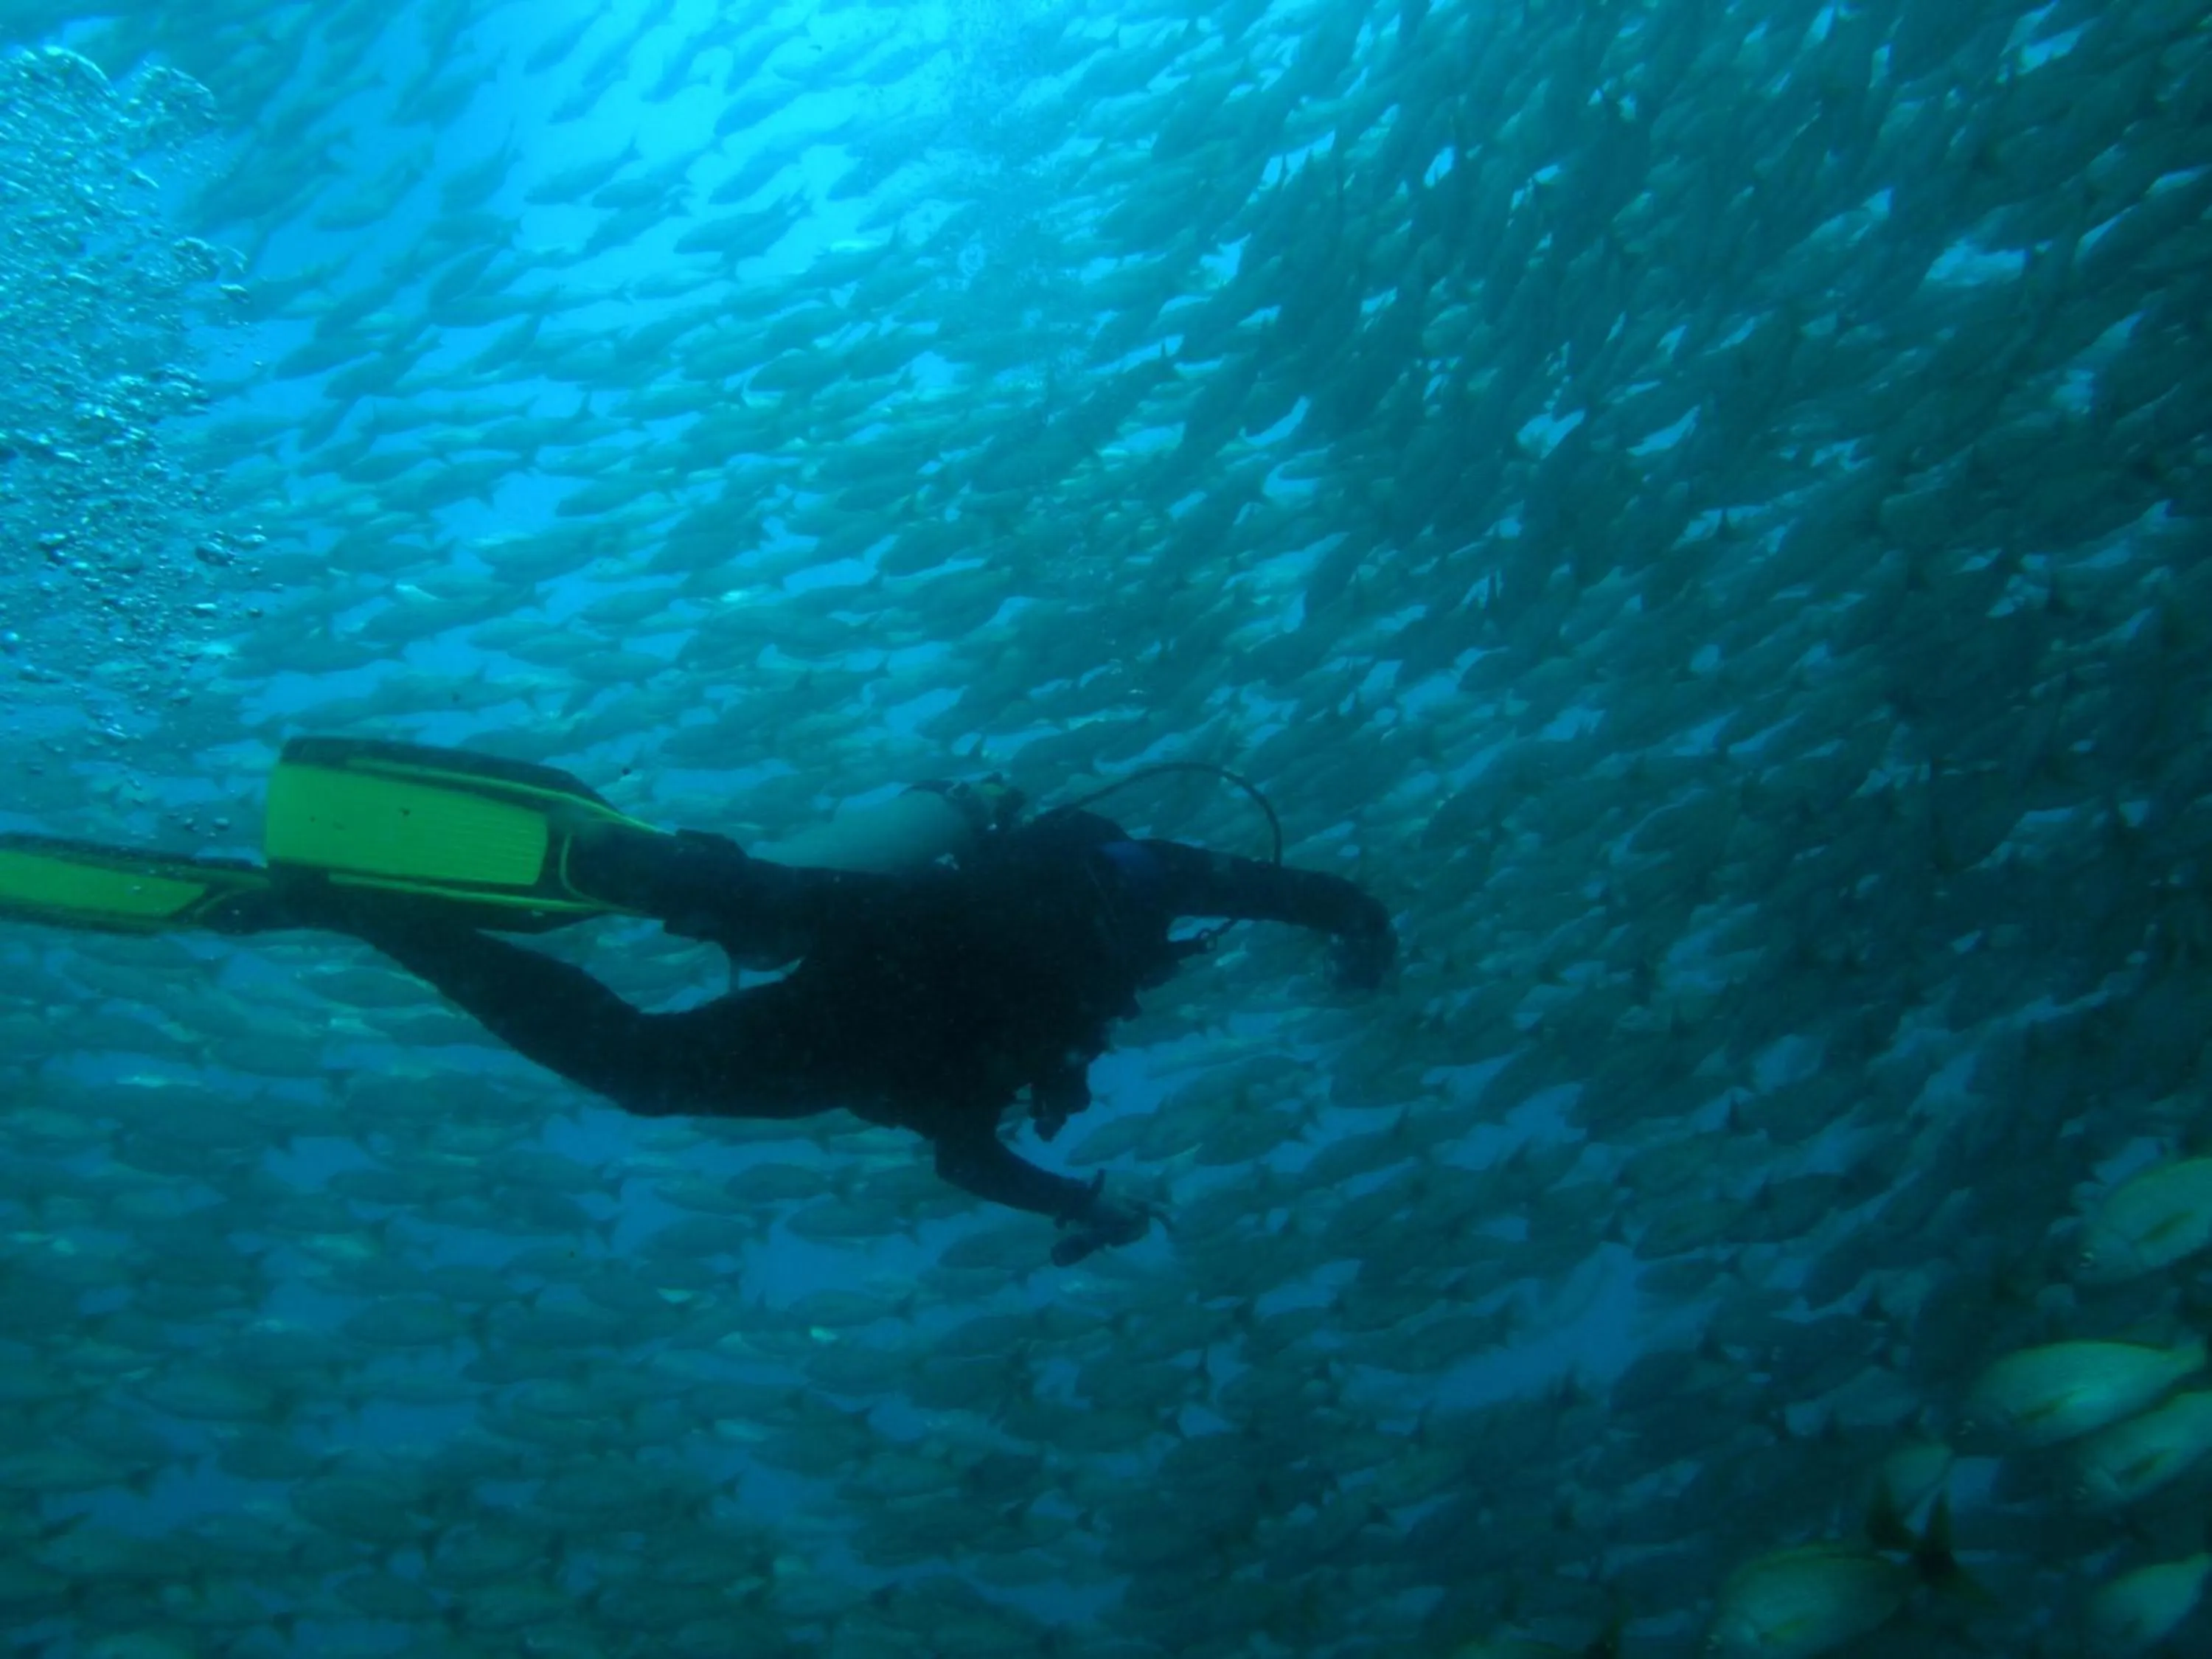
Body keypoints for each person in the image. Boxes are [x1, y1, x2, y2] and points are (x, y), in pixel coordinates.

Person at [281, 774, 1395, 1264]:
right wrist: (1358, 930)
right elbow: (1286, 890)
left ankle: (381, 909)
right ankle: (418, 904)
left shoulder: (1078, 1008)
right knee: (678, 1015)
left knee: (667, 1035)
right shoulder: (1133, 895)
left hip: (871, 999)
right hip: (918, 957)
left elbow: (965, 1152)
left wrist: (1082, 1199)